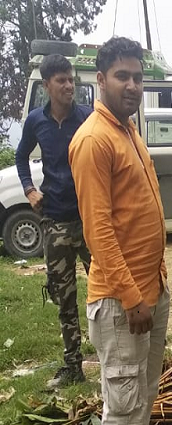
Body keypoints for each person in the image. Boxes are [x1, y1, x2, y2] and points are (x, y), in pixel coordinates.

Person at [69, 37, 170, 425]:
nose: (132, 85)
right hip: (120, 299)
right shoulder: (94, 139)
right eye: (122, 77)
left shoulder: (127, 129)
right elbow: (99, 230)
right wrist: (131, 296)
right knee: (123, 401)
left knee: (143, 391)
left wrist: (152, 288)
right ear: (100, 80)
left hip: (150, 289)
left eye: (137, 76)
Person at [15, 54, 92, 388]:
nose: (69, 86)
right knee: (64, 296)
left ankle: (119, 356)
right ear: (46, 85)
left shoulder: (87, 117)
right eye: (61, 80)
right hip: (56, 220)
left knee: (109, 291)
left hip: (89, 220)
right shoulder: (36, 121)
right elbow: (20, 156)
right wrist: (30, 190)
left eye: (71, 79)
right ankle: (73, 365)